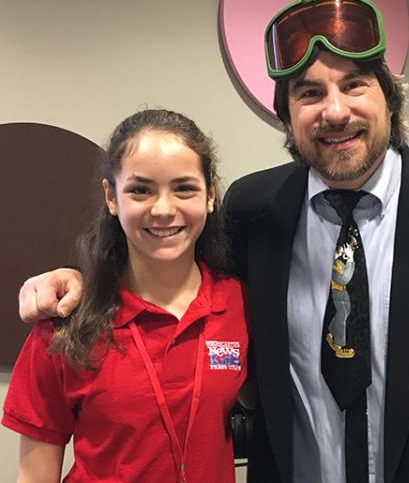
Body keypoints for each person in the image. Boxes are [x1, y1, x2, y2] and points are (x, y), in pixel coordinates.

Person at [17, 0, 409, 483]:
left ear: (390, 100)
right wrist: (83, 283)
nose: (334, 110)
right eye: (309, 93)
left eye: (354, 84)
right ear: (286, 117)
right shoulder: (253, 211)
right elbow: (176, 274)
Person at [4, 109, 248, 482]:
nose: (163, 209)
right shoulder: (66, 326)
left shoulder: (238, 303)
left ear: (210, 194)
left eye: (184, 188)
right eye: (141, 189)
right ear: (112, 197)